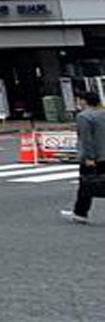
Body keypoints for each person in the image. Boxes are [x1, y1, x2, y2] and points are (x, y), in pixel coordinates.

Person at [63, 89, 105, 224]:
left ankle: (80, 213)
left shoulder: (84, 116)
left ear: (83, 101)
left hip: (94, 157)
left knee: (86, 185)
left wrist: (89, 157)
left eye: (78, 100)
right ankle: (79, 212)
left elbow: (86, 139)